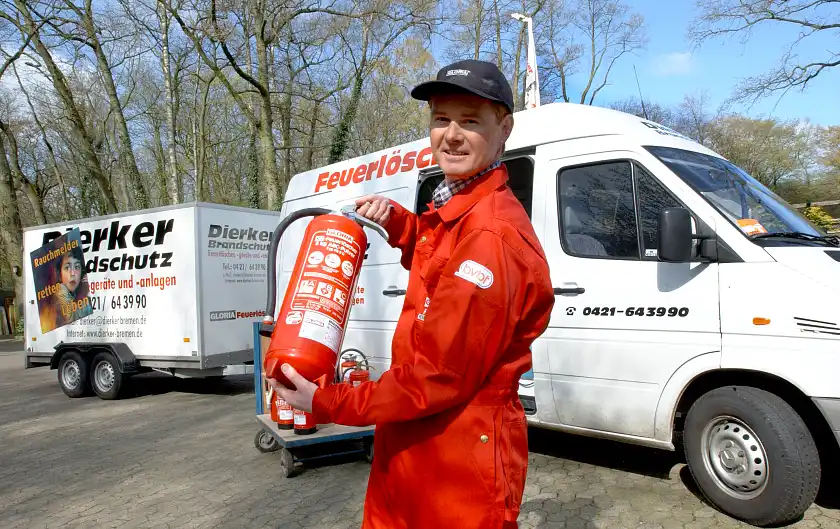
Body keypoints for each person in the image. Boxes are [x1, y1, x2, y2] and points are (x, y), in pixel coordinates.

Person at [269, 59, 555, 529]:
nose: (452, 134)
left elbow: (436, 376)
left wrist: (328, 402)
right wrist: (402, 225)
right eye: (441, 119)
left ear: (504, 127)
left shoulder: (491, 239)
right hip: (414, 442)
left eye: (470, 120)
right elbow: (440, 262)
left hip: (458, 461)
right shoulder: (457, 209)